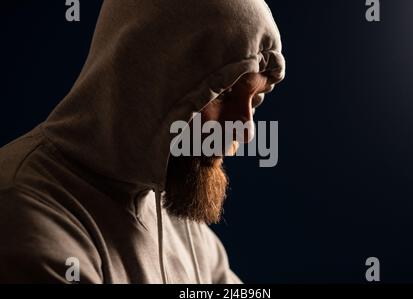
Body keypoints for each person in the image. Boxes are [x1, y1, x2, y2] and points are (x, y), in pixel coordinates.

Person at [0, 0, 285, 283]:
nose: (246, 130)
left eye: (255, 99)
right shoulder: (25, 217)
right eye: (223, 94)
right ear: (147, 79)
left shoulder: (178, 219)